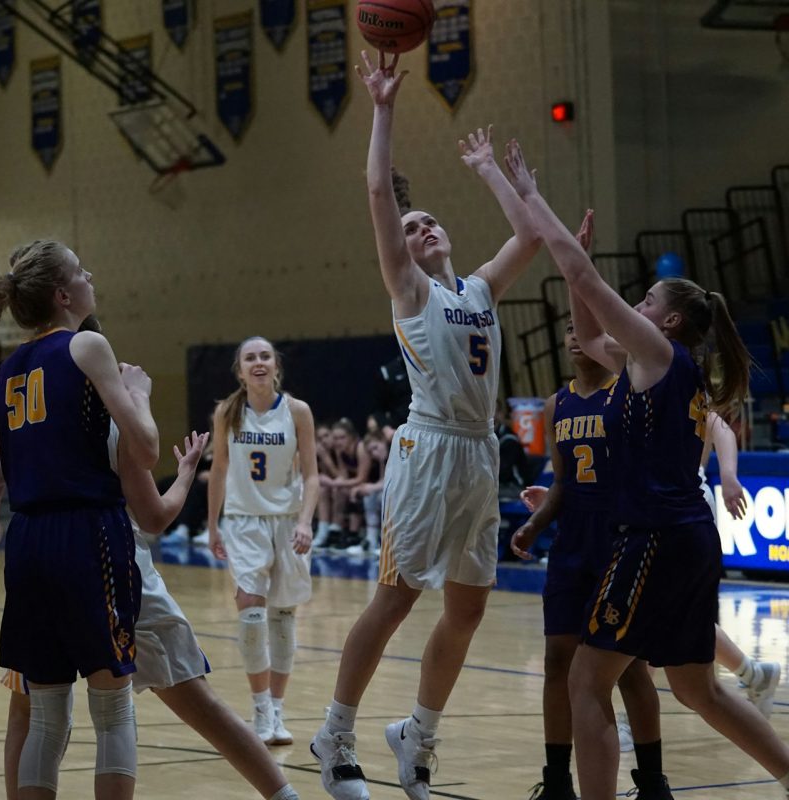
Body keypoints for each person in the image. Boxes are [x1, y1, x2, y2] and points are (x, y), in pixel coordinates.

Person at [517, 153, 789, 799]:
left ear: (666, 320)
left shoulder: (659, 354)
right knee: (697, 687)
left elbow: (587, 280)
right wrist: (571, 268)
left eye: (645, 301)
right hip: (687, 537)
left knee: (587, 679)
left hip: (653, 538)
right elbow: (586, 335)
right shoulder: (655, 364)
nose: (635, 306)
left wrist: (532, 196)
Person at [309, 49, 542, 800]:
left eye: (431, 222)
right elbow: (379, 187)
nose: (423, 227)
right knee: (398, 597)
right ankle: (335, 733)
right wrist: (381, 108)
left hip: (478, 456)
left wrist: (493, 172)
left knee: (468, 608)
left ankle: (418, 735)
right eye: (411, 227)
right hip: (429, 449)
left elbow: (530, 238)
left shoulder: (476, 290)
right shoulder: (410, 292)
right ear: (399, 251)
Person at [0, 240, 159, 800]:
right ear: (63, 295)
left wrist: (38, 464)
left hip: (30, 542)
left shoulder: (10, 367)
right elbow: (148, 449)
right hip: (90, 536)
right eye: (81, 271)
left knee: (46, 714)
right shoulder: (89, 345)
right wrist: (141, 397)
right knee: (112, 709)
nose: (91, 276)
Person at [0, 417, 303, 800]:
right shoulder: (102, 396)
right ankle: (285, 796)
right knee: (165, 704)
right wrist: (180, 465)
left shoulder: (18, 390)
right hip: (110, 550)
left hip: (35, 552)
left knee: (34, 714)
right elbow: (154, 510)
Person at [511, 226, 670, 799]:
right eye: (569, 334)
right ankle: (557, 781)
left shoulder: (629, 385)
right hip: (572, 543)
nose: (576, 339)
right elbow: (558, 481)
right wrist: (534, 523)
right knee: (558, 662)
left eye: (585, 332)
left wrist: (578, 256)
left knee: (629, 671)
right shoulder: (558, 403)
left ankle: (652, 781)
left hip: (621, 538)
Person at [205, 336, 319, 747]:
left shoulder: (297, 411)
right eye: (249, 358)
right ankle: (260, 708)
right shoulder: (227, 412)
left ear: (275, 366)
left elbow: (312, 475)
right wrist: (213, 525)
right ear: (240, 371)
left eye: (264, 356)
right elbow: (218, 470)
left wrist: (305, 522)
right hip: (243, 522)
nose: (258, 362)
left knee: (283, 617)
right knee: (251, 609)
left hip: (287, 521)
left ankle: (278, 705)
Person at [703, 411, 781, 717]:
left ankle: (634, 718)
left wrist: (728, 473)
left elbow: (718, 425)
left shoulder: (674, 384)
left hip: (683, 503)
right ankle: (753, 674)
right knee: (674, 617)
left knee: (661, 614)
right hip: (646, 508)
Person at [319, 418, 371, 551]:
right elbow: (343, 477)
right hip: (356, 484)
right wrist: (335, 483)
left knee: (349, 491)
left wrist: (334, 483)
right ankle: (335, 531)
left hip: (371, 483)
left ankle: (353, 535)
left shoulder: (360, 448)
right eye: (335, 438)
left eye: (342, 438)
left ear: (351, 437)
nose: (338, 441)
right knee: (338, 490)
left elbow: (362, 478)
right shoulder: (340, 451)